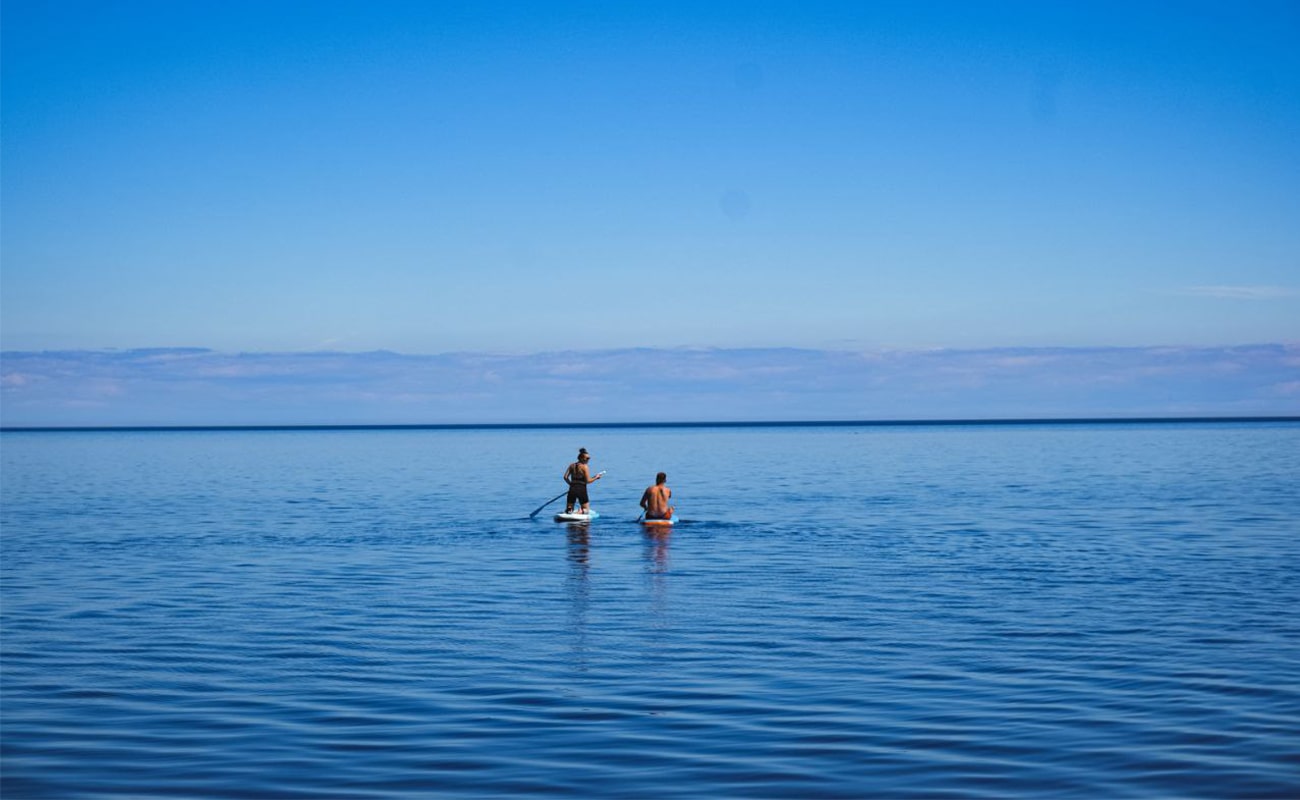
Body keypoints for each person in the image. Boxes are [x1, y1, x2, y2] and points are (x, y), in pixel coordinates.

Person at [563, 448, 602, 514]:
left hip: (572, 488)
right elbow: (588, 481)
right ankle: (580, 511)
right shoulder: (585, 467)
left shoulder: (571, 465)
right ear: (581, 458)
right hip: (581, 489)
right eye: (587, 458)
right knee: (586, 510)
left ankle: (569, 510)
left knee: (570, 508)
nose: (588, 459)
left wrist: (571, 484)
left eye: (589, 458)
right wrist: (596, 477)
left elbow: (565, 477)